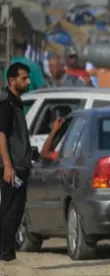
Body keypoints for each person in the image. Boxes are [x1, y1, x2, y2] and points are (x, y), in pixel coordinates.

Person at [0, 63, 33, 262]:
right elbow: (1, 134)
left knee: (15, 210)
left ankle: (7, 253)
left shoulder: (16, 102)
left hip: (19, 165)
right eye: (23, 78)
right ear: (12, 80)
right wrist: (8, 166)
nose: (28, 81)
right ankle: (5, 254)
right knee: (10, 211)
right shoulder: (5, 103)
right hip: (11, 167)